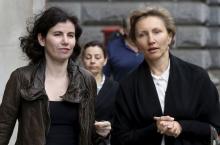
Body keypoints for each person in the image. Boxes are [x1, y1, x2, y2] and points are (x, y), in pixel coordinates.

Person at [111, 5, 220, 145]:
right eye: (142, 34)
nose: (151, 40)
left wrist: (182, 127)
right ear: (136, 43)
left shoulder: (197, 77)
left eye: (157, 32)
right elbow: (119, 139)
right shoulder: (128, 85)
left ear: (170, 36)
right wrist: (154, 128)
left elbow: (215, 128)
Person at [0, 7, 97, 145]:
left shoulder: (86, 80)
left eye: (70, 35)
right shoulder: (21, 78)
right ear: (42, 39)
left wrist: (101, 134)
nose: (65, 41)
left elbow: (88, 133)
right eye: (58, 34)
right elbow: (3, 127)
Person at [81, 41, 119, 145]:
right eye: (88, 57)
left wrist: (108, 128)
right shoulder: (73, 87)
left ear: (105, 60)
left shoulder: (116, 88)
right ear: (82, 60)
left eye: (97, 57)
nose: (92, 61)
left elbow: (120, 119)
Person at [103, 15, 144, 81]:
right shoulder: (112, 48)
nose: (137, 31)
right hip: (122, 90)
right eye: (132, 28)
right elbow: (103, 76)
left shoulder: (150, 43)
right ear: (123, 30)